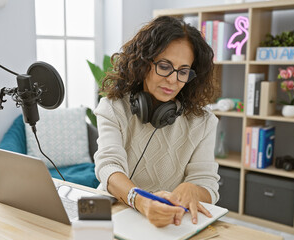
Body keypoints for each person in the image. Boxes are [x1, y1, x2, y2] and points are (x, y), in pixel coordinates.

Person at [93, 16, 220, 228]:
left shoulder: (203, 123)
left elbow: (208, 185)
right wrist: (141, 201)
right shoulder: (113, 108)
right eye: (164, 66)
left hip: (167, 222)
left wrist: (192, 189)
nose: (172, 79)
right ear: (143, 63)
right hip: (113, 212)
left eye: (183, 71)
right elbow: (108, 166)